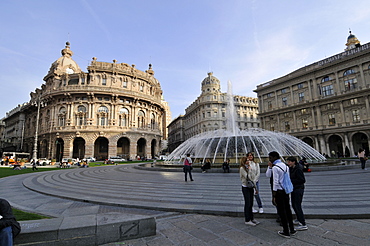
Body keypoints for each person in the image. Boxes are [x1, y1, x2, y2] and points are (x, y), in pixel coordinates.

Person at [268, 151, 296, 238]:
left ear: (274, 157)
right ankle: (292, 229)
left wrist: (274, 196)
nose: (269, 159)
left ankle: (286, 231)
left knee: (282, 211)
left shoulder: (275, 167)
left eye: (270, 158)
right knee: (288, 209)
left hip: (279, 192)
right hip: (286, 191)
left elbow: (275, 182)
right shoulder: (285, 166)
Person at [286, 156, 308, 231]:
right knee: (294, 205)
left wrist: (291, 181)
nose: (288, 163)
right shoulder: (292, 168)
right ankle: (298, 219)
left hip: (298, 189)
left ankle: (303, 223)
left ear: (293, 162)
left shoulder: (298, 169)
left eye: (289, 162)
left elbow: (302, 180)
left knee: (297, 205)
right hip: (294, 189)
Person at [239, 156, 259, 226]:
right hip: (245, 187)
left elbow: (253, 177)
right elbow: (248, 177)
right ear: (244, 162)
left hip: (251, 187)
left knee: (251, 203)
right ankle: (247, 220)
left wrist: (255, 188)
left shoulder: (248, 167)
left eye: (248, 160)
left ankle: (252, 218)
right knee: (248, 203)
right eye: (247, 161)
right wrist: (250, 170)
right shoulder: (242, 168)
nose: (248, 161)